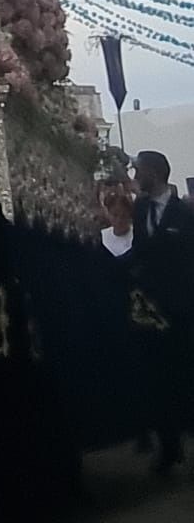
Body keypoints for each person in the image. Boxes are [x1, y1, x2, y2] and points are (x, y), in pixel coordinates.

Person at [130, 149, 194, 474]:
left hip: (183, 310)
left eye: (138, 170)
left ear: (154, 173)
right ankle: (169, 447)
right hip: (151, 313)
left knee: (186, 377)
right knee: (159, 381)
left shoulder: (186, 214)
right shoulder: (139, 210)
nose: (134, 176)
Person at [99, 179, 135, 257]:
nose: (119, 220)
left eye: (123, 216)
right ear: (108, 214)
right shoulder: (102, 236)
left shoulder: (136, 236)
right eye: (115, 215)